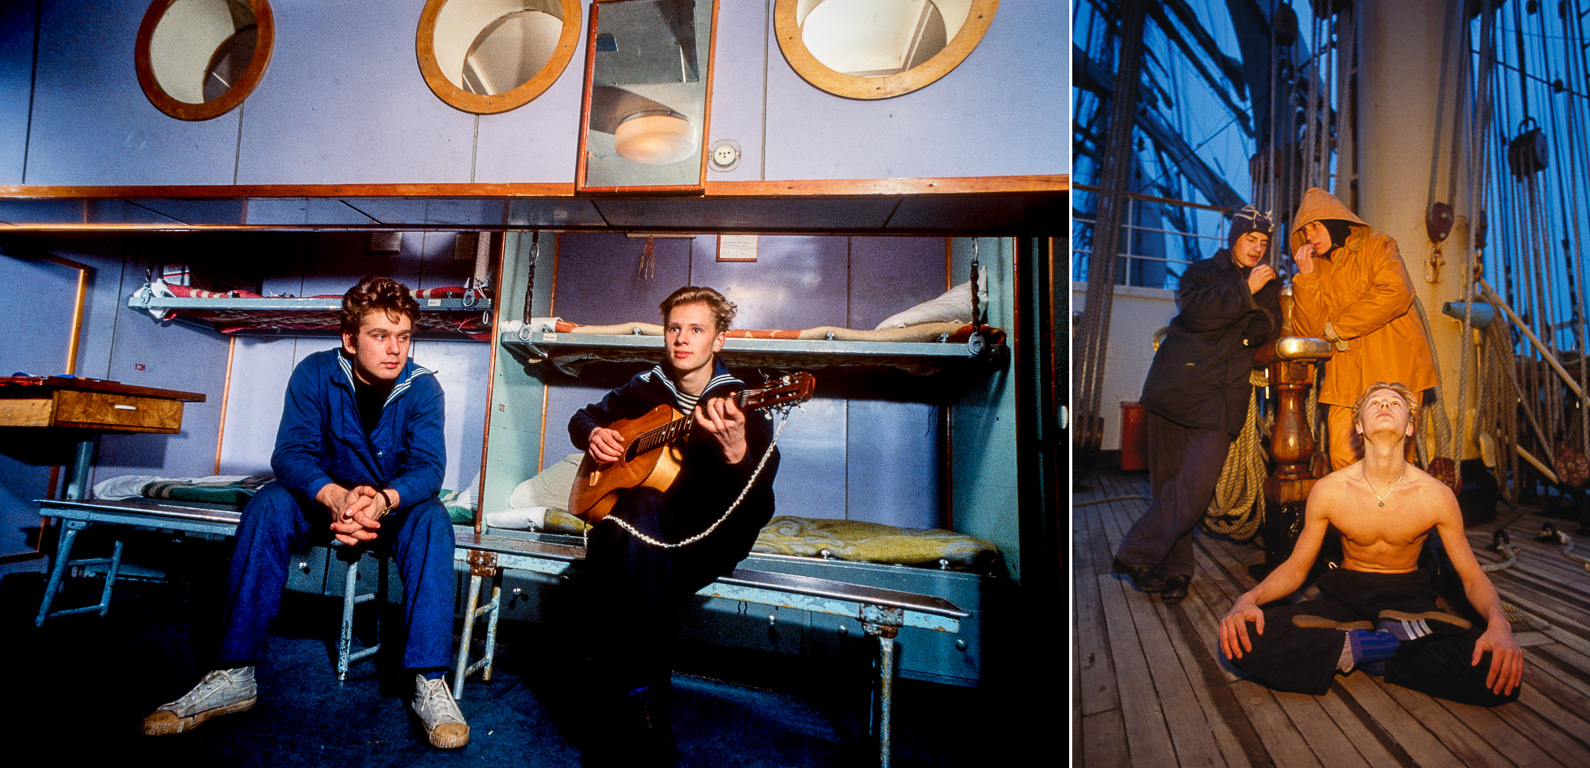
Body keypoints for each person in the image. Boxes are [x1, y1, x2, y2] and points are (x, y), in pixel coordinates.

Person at [141, 276, 469, 748]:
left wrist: (381, 501)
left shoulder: (422, 388)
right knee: (268, 503)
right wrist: (334, 496)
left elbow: (428, 469)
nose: (394, 349)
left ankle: (428, 681)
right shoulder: (315, 372)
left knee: (433, 519)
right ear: (350, 339)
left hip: (388, 504)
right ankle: (234, 671)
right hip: (323, 498)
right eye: (380, 336)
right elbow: (291, 455)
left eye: (403, 336)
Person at [570, 286, 780, 765]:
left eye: (696, 330)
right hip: (642, 540)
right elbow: (582, 418)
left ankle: (616, 706)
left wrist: (737, 456)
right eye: (674, 328)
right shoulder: (646, 386)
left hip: (703, 542)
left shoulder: (743, 404)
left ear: (719, 341)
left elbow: (758, 506)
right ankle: (644, 710)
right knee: (634, 515)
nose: (681, 339)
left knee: (627, 528)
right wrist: (596, 435)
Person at [1218, 382, 1522, 706]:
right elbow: (1295, 569)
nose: (1386, 405)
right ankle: (1375, 647)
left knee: (1497, 674)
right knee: (1243, 638)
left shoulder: (1436, 497)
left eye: (1395, 403)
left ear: (1409, 428)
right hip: (1346, 596)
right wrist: (1248, 599)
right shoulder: (1329, 491)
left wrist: (1499, 623)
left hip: (1408, 600)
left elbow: (1473, 577)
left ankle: (1368, 650)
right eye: (1375, 402)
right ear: (1360, 426)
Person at [1114, 205, 1282, 603]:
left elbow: (1266, 327)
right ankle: (1175, 569)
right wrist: (1246, 295)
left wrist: (1241, 311)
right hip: (1174, 389)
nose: (1257, 249)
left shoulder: (1268, 285)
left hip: (1220, 398)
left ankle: (1132, 553)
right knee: (1169, 487)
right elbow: (1197, 312)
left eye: (1263, 242)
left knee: (1194, 489)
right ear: (1234, 238)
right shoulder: (1201, 272)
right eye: (1250, 239)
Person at [1289, 187, 1438, 470]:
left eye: (1316, 226)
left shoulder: (1378, 245)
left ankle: (1396, 516)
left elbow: (1395, 291)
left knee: (1392, 460)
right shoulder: (1316, 269)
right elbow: (1310, 329)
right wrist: (1306, 278)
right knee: (1343, 458)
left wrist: (1337, 329)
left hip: (1392, 366)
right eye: (1305, 230)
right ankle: (1357, 515)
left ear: (1335, 222)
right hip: (1344, 376)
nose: (1309, 236)